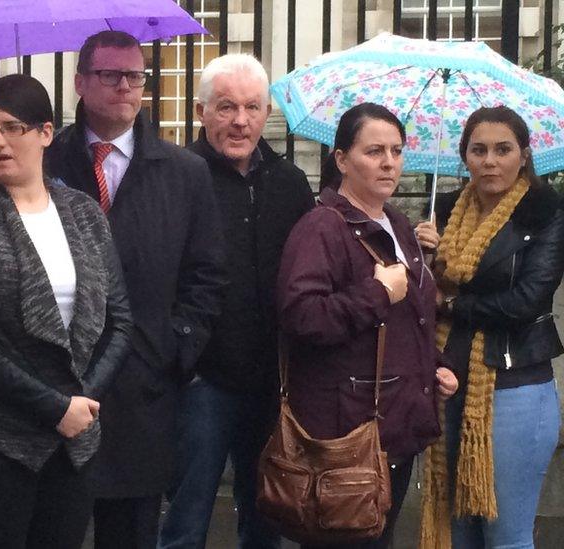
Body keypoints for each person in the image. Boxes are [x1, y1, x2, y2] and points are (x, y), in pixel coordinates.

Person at [0, 74, 133, 548]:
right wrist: (52, 407)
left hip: (72, 442)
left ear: (45, 133)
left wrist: (83, 400)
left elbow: (120, 319)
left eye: (10, 127)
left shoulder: (83, 213)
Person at [46, 31, 227, 548]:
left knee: (130, 533)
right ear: (80, 82)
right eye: (110, 75)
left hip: (143, 388)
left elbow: (207, 274)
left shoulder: (185, 172)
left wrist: (174, 348)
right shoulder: (48, 161)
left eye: (136, 76)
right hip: (58, 383)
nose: (125, 86)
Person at [276, 103, 458, 549]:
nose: (389, 162)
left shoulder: (395, 222)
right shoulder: (321, 228)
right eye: (374, 150)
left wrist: (431, 366)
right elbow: (303, 317)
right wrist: (376, 293)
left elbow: (407, 320)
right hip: (348, 436)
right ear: (341, 159)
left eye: (397, 150)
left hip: (395, 426)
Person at [158, 53, 314, 549]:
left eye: (252, 107)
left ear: (267, 111)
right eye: (226, 107)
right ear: (200, 111)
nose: (240, 121)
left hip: (271, 382)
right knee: (186, 519)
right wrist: (182, 358)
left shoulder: (289, 182)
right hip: (201, 381)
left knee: (267, 519)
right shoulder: (173, 177)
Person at [421, 105, 564, 549]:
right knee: (460, 532)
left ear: (524, 155)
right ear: (464, 156)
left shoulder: (545, 212)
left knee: (505, 536)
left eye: (503, 149)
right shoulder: (445, 213)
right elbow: (423, 297)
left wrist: (450, 301)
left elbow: (526, 301)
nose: (490, 161)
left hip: (514, 386)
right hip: (450, 384)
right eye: (478, 150)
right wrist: (425, 256)